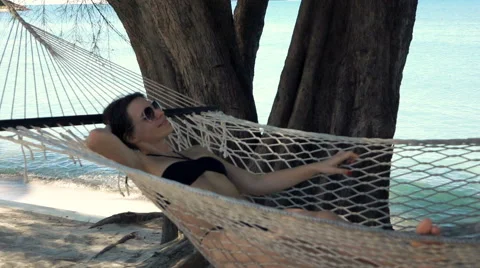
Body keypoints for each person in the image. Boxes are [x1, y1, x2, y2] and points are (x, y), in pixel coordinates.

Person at [87, 92, 441, 237]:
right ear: (130, 137)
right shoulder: (145, 166)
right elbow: (95, 140)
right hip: (230, 237)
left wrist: (318, 167)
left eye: (156, 105)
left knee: (328, 224)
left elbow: (255, 184)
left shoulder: (194, 151)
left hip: (258, 224)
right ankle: (413, 251)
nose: (159, 112)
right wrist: (120, 133)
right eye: (147, 114)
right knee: (323, 225)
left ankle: (410, 251)